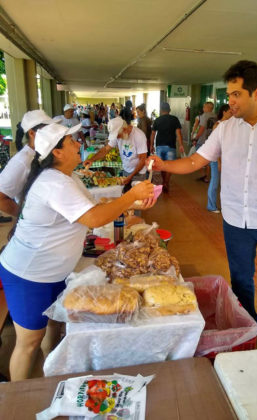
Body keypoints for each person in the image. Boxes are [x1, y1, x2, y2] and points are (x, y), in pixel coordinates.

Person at [146, 60, 257, 335]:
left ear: (256, 93)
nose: (230, 101)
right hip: (236, 219)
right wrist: (164, 165)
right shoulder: (226, 128)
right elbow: (195, 161)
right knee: (240, 281)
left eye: (236, 94)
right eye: (229, 94)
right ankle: (247, 329)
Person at [0, 122, 154, 381]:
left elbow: (94, 205)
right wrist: (130, 197)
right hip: (30, 274)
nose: (78, 144)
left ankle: (51, 373)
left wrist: (133, 202)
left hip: (54, 271)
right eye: (72, 142)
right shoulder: (54, 183)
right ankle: (17, 402)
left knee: (54, 325)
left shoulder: (66, 178)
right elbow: (93, 218)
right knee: (29, 342)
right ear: (57, 152)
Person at [0, 110, 57, 217]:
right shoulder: (22, 160)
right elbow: (1, 198)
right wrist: (24, 218)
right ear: (32, 133)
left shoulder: (40, 154)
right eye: (47, 130)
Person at [84, 116, 148, 191]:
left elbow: (142, 159)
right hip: (126, 170)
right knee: (126, 196)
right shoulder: (119, 135)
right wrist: (92, 159)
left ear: (124, 129)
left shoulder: (139, 136)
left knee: (138, 197)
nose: (117, 138)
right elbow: (105, 149)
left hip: (138, 173)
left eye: (118, 136)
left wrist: (131, 176)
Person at [150, 102, 184, 193]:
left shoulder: (157, 120)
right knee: (170, 166)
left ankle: (163, 182)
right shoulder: (174, 119)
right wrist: (181, 145)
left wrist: (151, 145)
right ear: (169, 110)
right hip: (171, 146)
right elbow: (178, 133)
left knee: (161, 166)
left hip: (159, 146)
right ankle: (166, 182)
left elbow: (153, 134)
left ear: (161, 110)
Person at [207, 104, 232, 213]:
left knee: (226, 184)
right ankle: (211, 205)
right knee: (215, 182)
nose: (232, 114)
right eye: (230, 112)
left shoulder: (231, 124)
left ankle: (226, 206)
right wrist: (219, 161)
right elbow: (216, 146)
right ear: (224, 112)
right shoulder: (218, 125)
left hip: (227, 159)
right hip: (217, 158)